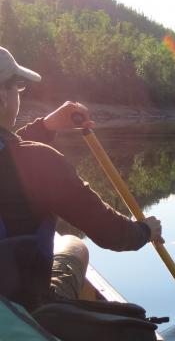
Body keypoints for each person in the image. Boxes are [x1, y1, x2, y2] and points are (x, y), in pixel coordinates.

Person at [0, 46, 163, 311]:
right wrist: (144, 230)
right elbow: (112, 234)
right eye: (17, 86)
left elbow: (9, 158)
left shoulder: (26, 160)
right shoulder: (42, 162)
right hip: (20, 310)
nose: (20, 95)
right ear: (2, 97)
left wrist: (46, 126)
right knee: (73, 244)